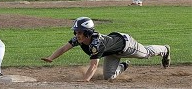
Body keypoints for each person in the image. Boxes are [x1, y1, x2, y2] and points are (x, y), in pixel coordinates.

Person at [41, 17, 170, 82]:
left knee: (146, 54)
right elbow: (64, 48)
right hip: (112, 52)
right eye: (76, 32)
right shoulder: (78, 39)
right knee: (108, 77)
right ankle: (123, 66)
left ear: (87, 32)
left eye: (79, 32)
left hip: (126, 45)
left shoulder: (96, 44)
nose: (77, 35)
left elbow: (93, 65)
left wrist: (86, 79)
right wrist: (51, 58)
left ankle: (165, 49)